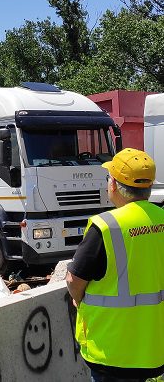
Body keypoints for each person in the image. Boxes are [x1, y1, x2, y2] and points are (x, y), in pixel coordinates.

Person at [66, 148, 164, 382]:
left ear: (114, 185)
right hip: (155, 350)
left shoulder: (107, 227)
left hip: (112, 355)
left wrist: (77, 298)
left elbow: (74, 280)